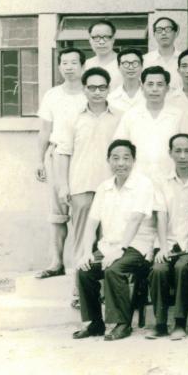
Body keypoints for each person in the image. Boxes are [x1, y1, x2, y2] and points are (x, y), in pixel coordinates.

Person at [72, 139, 156, 342]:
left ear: (134, 161)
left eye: (126, 158)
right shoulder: (104, 187)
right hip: (108, 247)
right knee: (84, 270)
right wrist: (86, 252)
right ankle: (95, 323)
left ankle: (122, 324)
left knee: (114, 269)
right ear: (108, 160)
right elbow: (92, 223)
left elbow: (135, 220)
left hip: (136, 246)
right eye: (115, 158)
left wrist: (120, 249)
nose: (121, 163)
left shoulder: (143, 184)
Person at [52, 67, 121, 282]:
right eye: (92, 87)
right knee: (82, 240)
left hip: (112, 187)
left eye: (102, 87)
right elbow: (63, 152)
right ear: (84, 89)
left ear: (108, 89)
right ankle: (79, 288)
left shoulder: (120, 117)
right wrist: (64, 186)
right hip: (81, 186)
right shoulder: (72, 117)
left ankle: (104, 289)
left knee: (110, 239)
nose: (97, 92)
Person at [36, 46, 87, 279]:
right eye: (64, 63)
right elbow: (45, 130)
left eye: (74, 63)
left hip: (84, 157)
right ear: (59, 66)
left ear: (83, 66)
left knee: (83, 212)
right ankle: (56, 262)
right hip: (58, 156)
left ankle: (83, 266)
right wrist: (39, 160)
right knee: (57, 213)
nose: (69, 67)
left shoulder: (90, 92)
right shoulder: (52, 95)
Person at [148, 133, 188, 340]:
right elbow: (161, 215)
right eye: (178, 151)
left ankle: (179, 323)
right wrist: (162, 247)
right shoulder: (161, 182)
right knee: (158, 270)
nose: (183, 156)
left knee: (181, 269)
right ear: (170, 153)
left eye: (187, 151)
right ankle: (160, 324)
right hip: (167, 241)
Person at [113, 65, 183, 184]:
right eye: (150, 84)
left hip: (170, 180)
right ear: (142, 87)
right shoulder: (131, 115)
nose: (154, 89)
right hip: (137, 180)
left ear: (167, 88)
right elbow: (119, 149)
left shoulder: (179, 115)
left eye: (159, 85)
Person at [85, 19, 122, 87]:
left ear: (113, 39)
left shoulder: (124, 63)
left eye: (106, 37)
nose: (101, 42)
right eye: (96, 37)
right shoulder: (85, 65)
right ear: (90, 40)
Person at [143, 17, 181, 84]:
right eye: (159, 30)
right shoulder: (145, 60)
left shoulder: (184, 59)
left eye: (168, 29)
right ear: (154, 34)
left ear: (176, 33)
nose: (163, 33)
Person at [108, 48, 144, 115]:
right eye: (125, 63)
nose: (131, 67)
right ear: (118, 67)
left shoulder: (152, 94)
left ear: (142, 66)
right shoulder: (111, 98)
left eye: (135, 63)